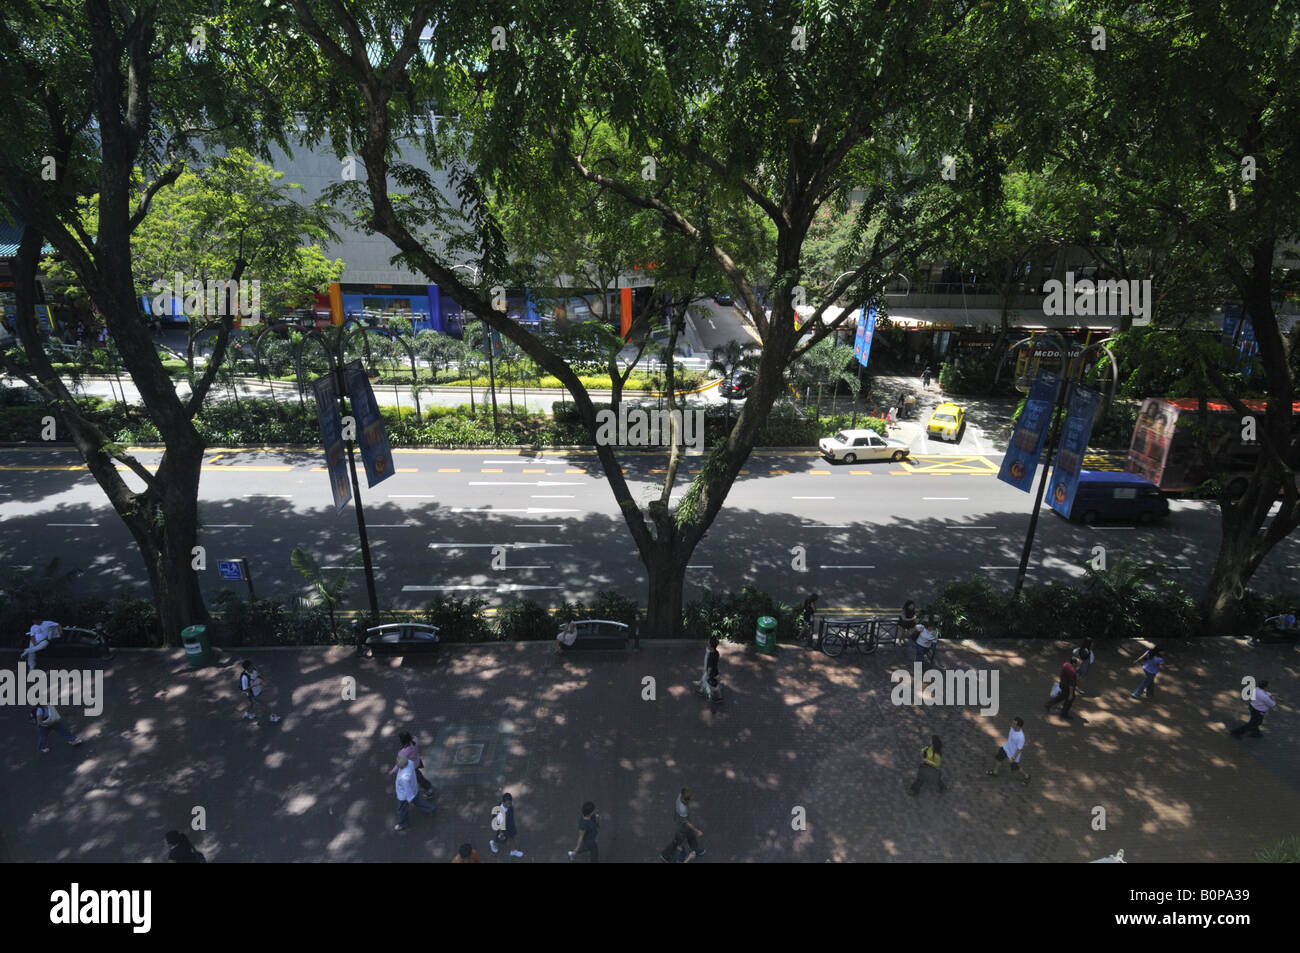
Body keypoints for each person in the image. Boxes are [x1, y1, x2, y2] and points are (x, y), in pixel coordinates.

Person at [393, 754, 436, 832]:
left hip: (404, 795)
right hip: (414, 788)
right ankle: (430, 808)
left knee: (402, 809)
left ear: (401, 766)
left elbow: (407, 790)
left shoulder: (404, 778)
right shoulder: (410, 763)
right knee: (419, 801)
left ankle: (402, 824)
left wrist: (410, 799)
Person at [987, 717, 1031, 785]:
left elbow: (1019, 749)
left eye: (1014, 724)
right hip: (1006, 748)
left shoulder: (1020, 737)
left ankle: (1027, 776)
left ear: (1018, 726)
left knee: (1016, 768)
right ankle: (995, 772)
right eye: (1013, 722)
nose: (1012, 724)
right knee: (998, 758)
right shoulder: (1012, 728)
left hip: (1013, 754)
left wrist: (1013, 758)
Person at [389, 731, 434, 797]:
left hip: (412, 768)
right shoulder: (415, 740)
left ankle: (429, 790)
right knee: (417, 777)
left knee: (419, 778)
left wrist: (392, 771)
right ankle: (424, 786)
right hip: (417, 762)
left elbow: (400, 764)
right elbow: (413, 737)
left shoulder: (404, 752)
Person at [489, 792, 524, 857]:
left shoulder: (509, 806)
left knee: (512, 837)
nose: (509, 805)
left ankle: (513, 851)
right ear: (503, 802)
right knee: (499, 839)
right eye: (508, 803)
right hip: (502, 828)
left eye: (510, 803)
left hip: (510, 825)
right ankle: (493, 843)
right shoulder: (500, 813)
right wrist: (501, 833)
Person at [674, 788, 705, 857]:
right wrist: (697, 831)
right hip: (683, 827)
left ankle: (695, 850)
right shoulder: (682, 809)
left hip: (681, 824)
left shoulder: (680, 797)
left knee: (691, 837)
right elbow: (687, 823)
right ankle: (677, 856)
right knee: (681, 842)